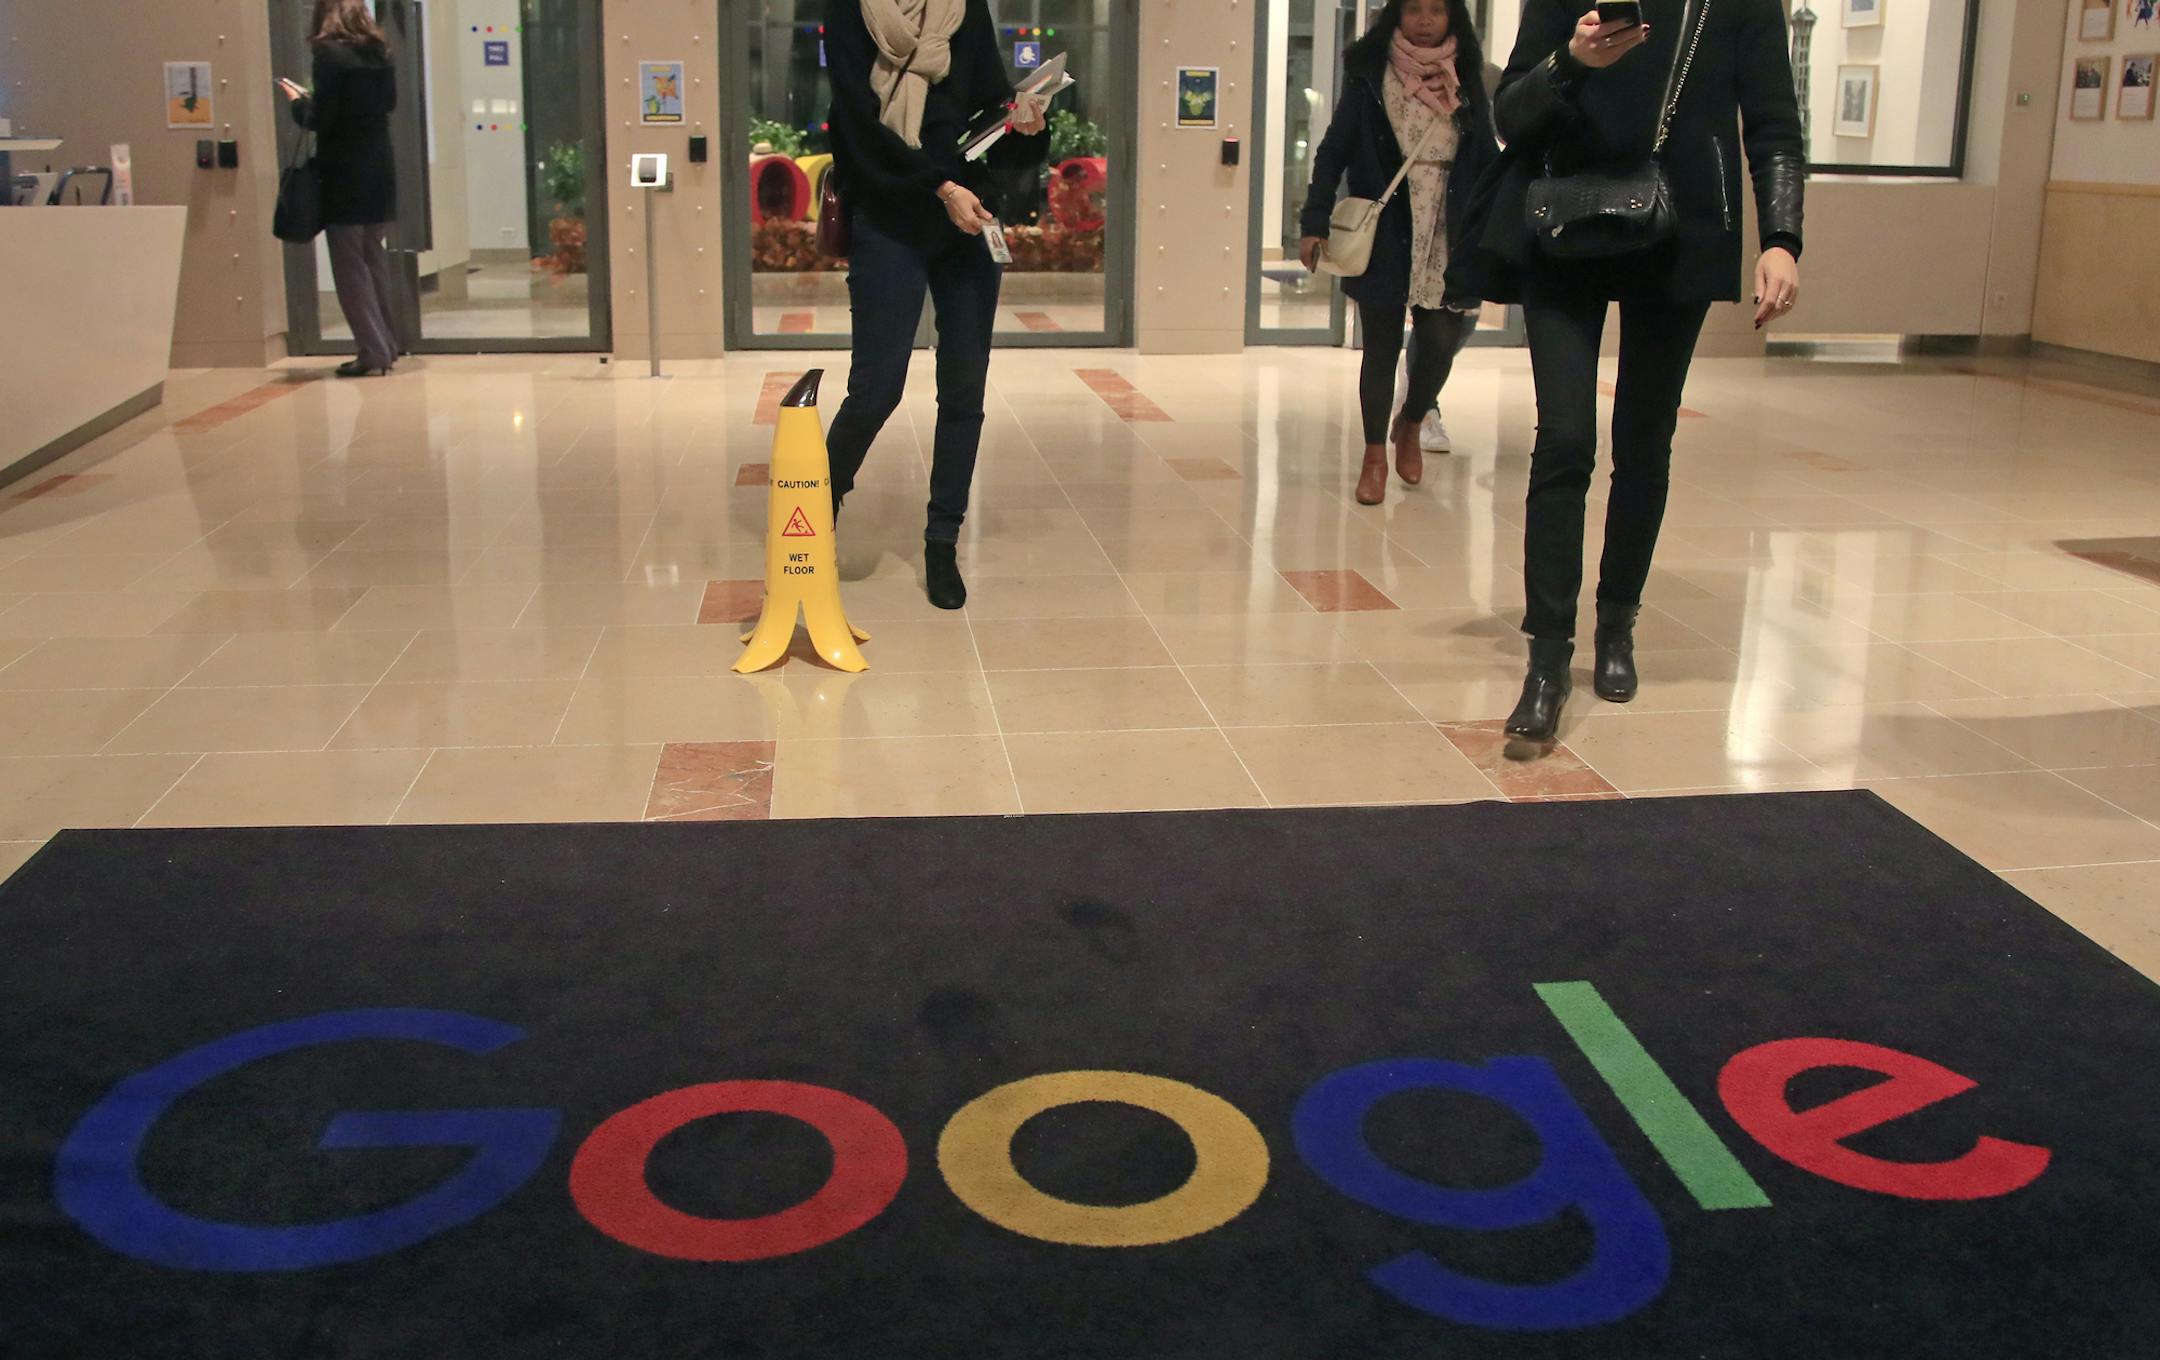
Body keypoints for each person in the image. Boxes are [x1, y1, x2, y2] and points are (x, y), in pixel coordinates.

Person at [1467, 2, 1804, 740]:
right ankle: (1548, 658)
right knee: (1563, 440)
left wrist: (1782, 237)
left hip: (1679, 227)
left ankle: (1617, 623)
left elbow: (1775, 124)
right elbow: (1511, 113)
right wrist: (1572, 61)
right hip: (1563, 219)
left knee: (1646, 440)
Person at [822, 0, 1049, 610]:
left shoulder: (963, 9)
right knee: (876, 389)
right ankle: (812, 507)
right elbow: (855, 127)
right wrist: (939, 186)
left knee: (964, 391)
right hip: (890, 214)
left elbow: (988, 109)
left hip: (968, 218)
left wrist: (1025, 123)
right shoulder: (852, 11)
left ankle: (941, 541)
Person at [1299, 0, 1498, 506]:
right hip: (1386, 225)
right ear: (1396, 15)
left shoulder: (1469, 75)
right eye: (1414, 9)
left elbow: (1484, 155)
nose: (1425, 20)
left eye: (1437, 10)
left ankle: (1411, 422)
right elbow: (1334, 149)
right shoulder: (1369, 73)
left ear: (1453, 18)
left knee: (1441, 338)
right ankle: (1373, 457)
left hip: (1447, 227)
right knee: (1381, 347)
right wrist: (1314, 220)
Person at [279, 0, 400, 379]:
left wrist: (299, 103)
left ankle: (372, 351)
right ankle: (387, 344)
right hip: (379, 169)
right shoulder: (379, 53)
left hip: (345, 174)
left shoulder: (328, 54)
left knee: (349, 266)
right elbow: (388, 104)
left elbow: (322, 119)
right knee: (372, 257)